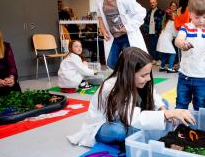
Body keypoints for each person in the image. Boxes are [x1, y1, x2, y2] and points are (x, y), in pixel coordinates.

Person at [67, 47, 196, 147]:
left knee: (163, 102)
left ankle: (136, 132)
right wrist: (167, 114)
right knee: (118, 131)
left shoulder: (139, 79)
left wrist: (163, 109)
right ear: (128, 73)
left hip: (128, 115)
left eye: (148, 74)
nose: (148, 78)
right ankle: (131, 135)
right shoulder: (110, 87)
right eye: (143, 75)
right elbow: (130, 117)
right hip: (105, 124)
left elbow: (153, 95)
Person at [174, 0, 205, 110]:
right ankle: (181, 126)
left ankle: (200, 127)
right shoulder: (186, 27)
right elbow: (178, 40)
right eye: (197, 17)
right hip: (185, 75)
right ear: (190, 13)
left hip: (203, 76)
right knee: (181, 103)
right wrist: (182, 43)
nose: (201, 21)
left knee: (201, 106)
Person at [95, 0, 147, 69]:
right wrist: (103, 30)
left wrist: (126, 28)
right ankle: (121, 79)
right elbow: (99, 16)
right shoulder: (99, 1)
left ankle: (130, 80)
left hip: (127, 36)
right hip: (113, 37)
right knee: (111, 63)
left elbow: (141, 12)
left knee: (131, 62)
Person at [0, 27, 21, 96]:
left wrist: (11, 78)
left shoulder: (6, 46)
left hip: (5, 78)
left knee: (14, 92)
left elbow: (12, 66)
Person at [143, 0, 165, 65]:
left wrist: (161, 30)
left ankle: (159, 59)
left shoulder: (160, 12)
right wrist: (146, 30)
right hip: (150, 32)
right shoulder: (149, 12)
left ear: (156, 3)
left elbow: (163, 22)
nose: (152, 4)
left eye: (153, 2)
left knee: (158, 46)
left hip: (157, 32)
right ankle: (154, 59)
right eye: (151, 3)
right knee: (151, 46)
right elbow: (146, 22)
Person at [156, 9, 178, 73]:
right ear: (171, 16)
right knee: (173, 53)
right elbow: (174, 33)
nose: (175, 16)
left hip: (162, 39)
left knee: (165, 54)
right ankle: (170, 69)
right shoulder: (172, 22)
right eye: (174, 15)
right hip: (166, 40)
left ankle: (162, 67)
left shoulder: (165, 22)